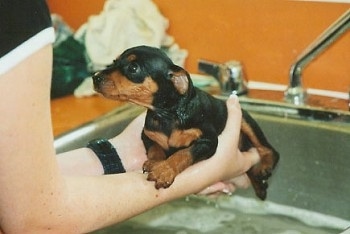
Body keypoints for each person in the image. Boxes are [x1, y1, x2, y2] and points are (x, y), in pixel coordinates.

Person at [0, 0, 259, 233]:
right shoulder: (18, 12)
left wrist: (119, 154)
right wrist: (198, 176)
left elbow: (16, 188)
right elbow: (36, 219)